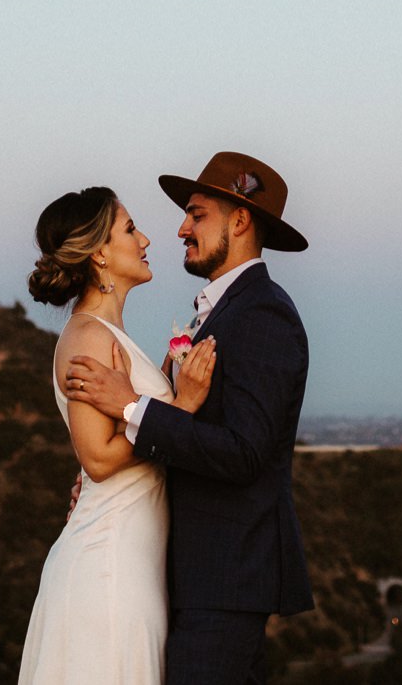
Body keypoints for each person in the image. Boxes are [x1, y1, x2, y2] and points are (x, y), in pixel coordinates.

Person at [66, 152, 313, 685]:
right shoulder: (224, 312)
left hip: (225, 578)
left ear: (240, 220)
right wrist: (104, 484)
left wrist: (133, 408)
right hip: (193, 577)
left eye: (197, 214)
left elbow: (245, 452)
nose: (180, 228)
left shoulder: (262, 313)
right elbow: (194, 437)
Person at [17, 186, 217, 685]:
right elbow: (100, 460)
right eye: (130, 229)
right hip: (107, 567)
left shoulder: (111, 336)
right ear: (100, 252)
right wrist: (182, 405)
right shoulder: (87, 337)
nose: (146, 238)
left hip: (132, 560)